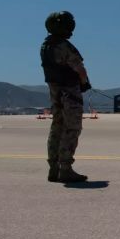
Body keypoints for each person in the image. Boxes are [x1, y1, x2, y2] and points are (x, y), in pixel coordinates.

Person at [40, 11, 91, 183]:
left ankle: (54, 169)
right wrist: (84, 83)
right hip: (69, 93)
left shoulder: (46, 46)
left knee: (57, 128)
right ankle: (66, 168)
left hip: (55, 93)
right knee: (71, 128)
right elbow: (80, 70)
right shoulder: (64, 46)